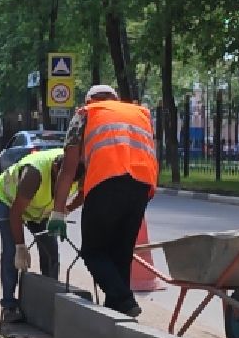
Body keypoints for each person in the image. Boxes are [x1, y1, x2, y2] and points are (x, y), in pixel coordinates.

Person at [50, 84, 158, 317]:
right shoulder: (140, 113)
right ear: (115, 99)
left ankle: (124, 301)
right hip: (141, 184)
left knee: (93, 251)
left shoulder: (85, 114)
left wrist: (58, 213)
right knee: (121, 254)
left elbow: (68, 170)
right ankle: (116, 315)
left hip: (105, 182)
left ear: (90, 100)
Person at [0, 146, 82, 322]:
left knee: (50, 252)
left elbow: (85, 193)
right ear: (57, 169)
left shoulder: (79, 168)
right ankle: (9, 305)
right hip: (9, 202)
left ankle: (49, 300)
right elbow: (16, 213)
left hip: (40, 210)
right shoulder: (34, 174)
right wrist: (20, 246)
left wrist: (65, 210)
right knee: (11, 253)